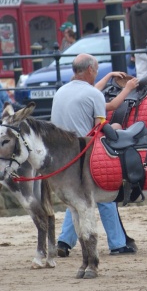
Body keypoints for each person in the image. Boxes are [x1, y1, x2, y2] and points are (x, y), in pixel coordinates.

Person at [52, 53, 139, 258]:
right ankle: (117, 244)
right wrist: (128, 88)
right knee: (104, 193)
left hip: (61, 155)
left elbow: (92, 95)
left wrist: (108, 76)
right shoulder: (92, 94)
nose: (97, 73)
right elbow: (107, 111)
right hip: (82, 153)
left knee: (78, 198)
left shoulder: (62, 91)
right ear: (90, 70)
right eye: (97, 70)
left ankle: (64, 241)